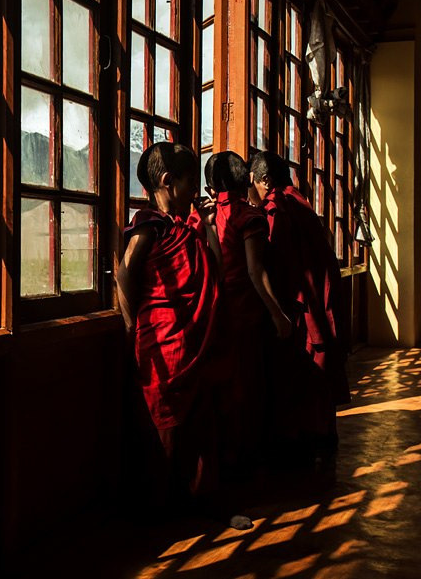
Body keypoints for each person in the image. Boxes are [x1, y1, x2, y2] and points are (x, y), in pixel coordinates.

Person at [116, 141, 229, 518]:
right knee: (165, 431)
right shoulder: (148, 226)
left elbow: (215, 267)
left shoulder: (186, 227)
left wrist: (209, 224)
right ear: (167, 182)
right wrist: (132, 327)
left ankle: (193, 501)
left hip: (190, 341)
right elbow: (124, 273)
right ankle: (161, 510)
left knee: (196, 425)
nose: (195, 192)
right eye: (188, 183)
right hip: (161, 343)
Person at [247, 150, 350, 466]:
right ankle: (321, 437)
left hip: (301, 306)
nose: (251, 191)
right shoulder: (300, 202)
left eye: (252, 183)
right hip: (318, 300)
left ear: (264, 180)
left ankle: (304, 442)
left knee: (302, 375)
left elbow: (277, 263)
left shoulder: (278, 208)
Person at [204, 151, 291, 475]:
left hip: (216, 314)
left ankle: (225, 458)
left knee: (225, 390)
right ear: (244, 179)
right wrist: (278, 314)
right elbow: (256, 271)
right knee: (248, 389)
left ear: (212, 185)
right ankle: (246, 458)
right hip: (245, 314)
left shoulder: (207, 216)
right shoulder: (247, 216)